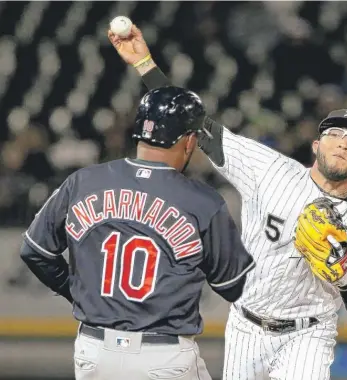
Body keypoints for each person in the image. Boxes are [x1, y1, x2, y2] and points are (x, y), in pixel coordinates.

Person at [108, 24, 347, 380]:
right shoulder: (269, 169)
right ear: (316, 145)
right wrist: (144, 64)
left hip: (310, 333)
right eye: (333, 133)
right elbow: (198, 123)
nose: (343, 142)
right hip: (247, 326)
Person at [20, 86, 255, 380]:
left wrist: (77, 292)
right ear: (190, 141)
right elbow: (233, 285)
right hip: (164, 355)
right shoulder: (203, 201)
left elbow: (34, 250)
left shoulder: (83, 181)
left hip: (93, 351)